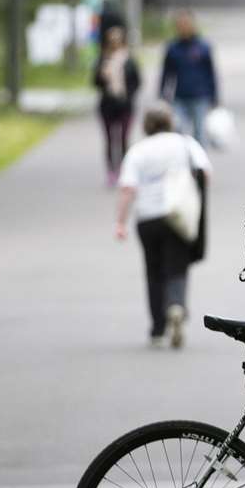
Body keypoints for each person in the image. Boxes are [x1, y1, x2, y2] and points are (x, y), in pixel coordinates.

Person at [114, 102, 212, 349]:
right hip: (176, 214)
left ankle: (158, 328)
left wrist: (120, 222)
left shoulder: (138, 150)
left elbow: (127, 188)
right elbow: (205, 174)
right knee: (177, 266)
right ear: (170, 122)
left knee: (153, 270)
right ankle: (176, 305)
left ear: (146, 126)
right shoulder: (186, 144)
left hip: (147, 217)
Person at [158, 10, 219, 146]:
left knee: (199, 133)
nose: (184, 27)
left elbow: (211, 73)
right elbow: (166, 74)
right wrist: (162, 96)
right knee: (177, 129)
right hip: (179, 97)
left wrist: (214, 97)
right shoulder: (173, 48)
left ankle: (200, 164)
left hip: (200, 97)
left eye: (186, 24)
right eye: (180, 24)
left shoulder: (203, 47)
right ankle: (181, 160)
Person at [93, 25, 141, 185]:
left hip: (125, 105)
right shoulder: (102, 59)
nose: (115, 43)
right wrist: (102, 75)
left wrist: (128, 94)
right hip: (107, 105)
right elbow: (95, 83)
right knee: (109, 140)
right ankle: (111, 171)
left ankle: (125, 170)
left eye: (118, 40)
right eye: (112, 40)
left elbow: (137, 81)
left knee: (123, 138)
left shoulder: (129, 60)